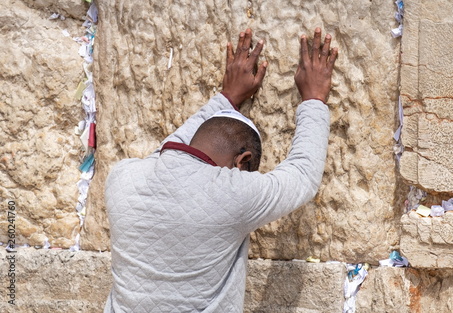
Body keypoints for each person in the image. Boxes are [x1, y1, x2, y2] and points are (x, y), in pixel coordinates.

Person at [104, 27, 338, 313]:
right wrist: (314, 100)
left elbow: (171, 151)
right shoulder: (232, 193)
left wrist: (226, 98)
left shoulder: (122, 177)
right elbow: (302, 175)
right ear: (243, 162)